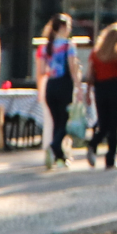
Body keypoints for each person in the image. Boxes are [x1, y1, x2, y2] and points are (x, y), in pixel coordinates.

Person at [88, 21, 117, 170]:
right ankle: (110, 159)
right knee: (113, 126)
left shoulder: (95, 54)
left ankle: (93, 143)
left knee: (103, 123)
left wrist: (88, 91)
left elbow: (90, 75)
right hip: (114, 88)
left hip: (99, 89)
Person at [35, 13, 75, 168]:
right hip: (64, 84)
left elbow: (42, 69)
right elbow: (71, 67)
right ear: (64, 27)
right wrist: (78, 84)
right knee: (64, 121)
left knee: (56, 120)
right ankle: (53, 147)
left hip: (50, 86)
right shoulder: (68, 45)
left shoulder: (45, 47)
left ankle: (59, 156)